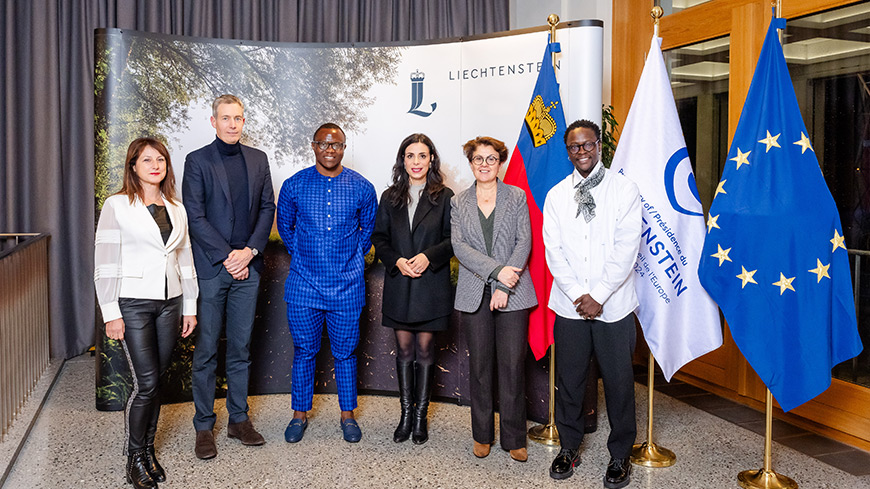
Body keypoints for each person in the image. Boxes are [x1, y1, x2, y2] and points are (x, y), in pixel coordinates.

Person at [543, 119, 641, 488]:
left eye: (586, 145)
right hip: (569, 307)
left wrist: (598, 296)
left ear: (599, 145)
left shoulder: (624, 189)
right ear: (567, 151)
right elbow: (554, 252)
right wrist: (577, 295)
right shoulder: (556, 195)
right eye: (574, 147)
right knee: (569, 382)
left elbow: (626, 248)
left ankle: (620, 455)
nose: (581, 152)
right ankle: (569, 447)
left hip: (613, 308)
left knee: (618, 383)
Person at [95, 138, 198, 489]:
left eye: (161, 160)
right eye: (147, 159)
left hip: (170, 302)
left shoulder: (176, 208)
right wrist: (111, 312)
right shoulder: (118, 205)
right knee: (147, 383)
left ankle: (148, 451)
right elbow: (105, 263)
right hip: (133, 303)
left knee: (157, 383)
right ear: (133, 166)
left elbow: (185, 259)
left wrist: (190, 305)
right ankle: (134, 457)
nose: (156, 165)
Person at [182, 94, 276, 459]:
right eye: (226, 118)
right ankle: (204, 426)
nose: (233, 124)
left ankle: (238, 420)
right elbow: (196, 215)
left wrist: (249, 252)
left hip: (247, 268)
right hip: (212, 268)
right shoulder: (197, 161)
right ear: (213, 121)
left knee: (240, 348)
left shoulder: (258, 159)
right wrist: (227, 256)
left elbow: (268, 207)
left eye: (238, 118)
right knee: (206, 351)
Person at [276, 122, 378, 443]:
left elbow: (367, 233)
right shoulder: (294, 186)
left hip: (348, 287)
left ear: (344, 148)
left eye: (336, 144)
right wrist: (307, 255)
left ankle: (348, 416)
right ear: (314, 146)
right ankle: (299, 415)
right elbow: (286, 229)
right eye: (324, 144)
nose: (329, 149)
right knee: (305, 351)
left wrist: (345, 260)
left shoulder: (363, 187)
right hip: (303, 285)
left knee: (345, 353)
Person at [451, 136, 537, 463]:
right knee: (480, 367)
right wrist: (497, 273)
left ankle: (514, 438)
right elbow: (461, 249)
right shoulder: (459, 202)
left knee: (513, 366)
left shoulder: (516, 197)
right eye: (478, 159)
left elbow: (523, 242)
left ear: (500, 162)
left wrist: (505, 284)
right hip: (475, 292)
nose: (484, 165)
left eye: (490, 159)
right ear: (471, 164)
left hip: (513, 292)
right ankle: (482, 435)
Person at [371, 133, 454, 444]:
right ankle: (405, 414)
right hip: (400, 285)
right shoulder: (389, 197)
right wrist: (397, 261)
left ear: (431, 159)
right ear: (402, 160)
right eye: (410, 155)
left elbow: (452, 241)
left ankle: (421, 418)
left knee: (424, 351)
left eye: (422, 155)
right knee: (404, 351)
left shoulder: (444, 196)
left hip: (430, 287)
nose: (416, 162)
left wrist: (426, 257)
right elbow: (379, 239)